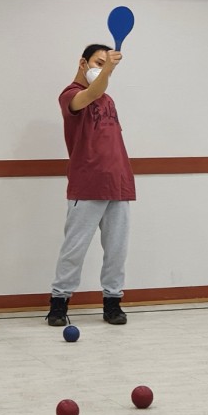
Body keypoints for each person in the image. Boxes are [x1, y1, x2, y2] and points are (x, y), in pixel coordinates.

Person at [46, 43, 136, 326]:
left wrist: (122, 176)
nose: (102, 68)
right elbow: (92, 93)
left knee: (117, 250)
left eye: (106, 64)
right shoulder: (70, 95)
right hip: (87, 184)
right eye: (98, 62)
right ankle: (58, 303)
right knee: (74, 248)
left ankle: (113, 302)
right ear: (82, 63)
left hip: (118, 183)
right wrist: (108, 68)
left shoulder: (108, 100)